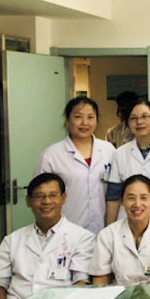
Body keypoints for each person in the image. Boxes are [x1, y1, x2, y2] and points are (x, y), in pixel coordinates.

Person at [0, 173, 95, 299]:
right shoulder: (11, 241)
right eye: (39, 196)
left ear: (63, 198)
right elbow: (0, 284)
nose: (47, 201)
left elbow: (81, 282)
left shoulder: (82, 238)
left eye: (53, 195)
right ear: (28, 201)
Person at [35, 96, 116, 235]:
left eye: (90, 117)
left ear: (97, 120)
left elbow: (116, 193)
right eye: (78, 117)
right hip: (64, 232)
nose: (85, 123)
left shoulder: (109, 150)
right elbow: (40, 196)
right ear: (67, 120)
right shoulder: (51, 155)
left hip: (103, 231)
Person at [91, 175, 150, 285]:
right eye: (131, 198)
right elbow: (100, 281)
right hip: (120, 293)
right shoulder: (107, 235)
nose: (137, 204)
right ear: (122, 201)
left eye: (143, 198)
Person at [105, 98, 150, 225]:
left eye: (145, 116)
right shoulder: (119, 154)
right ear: (128, 123)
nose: (139, 122)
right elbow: (113, 196)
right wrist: (109, 228)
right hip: (126, 221)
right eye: (133, 118)